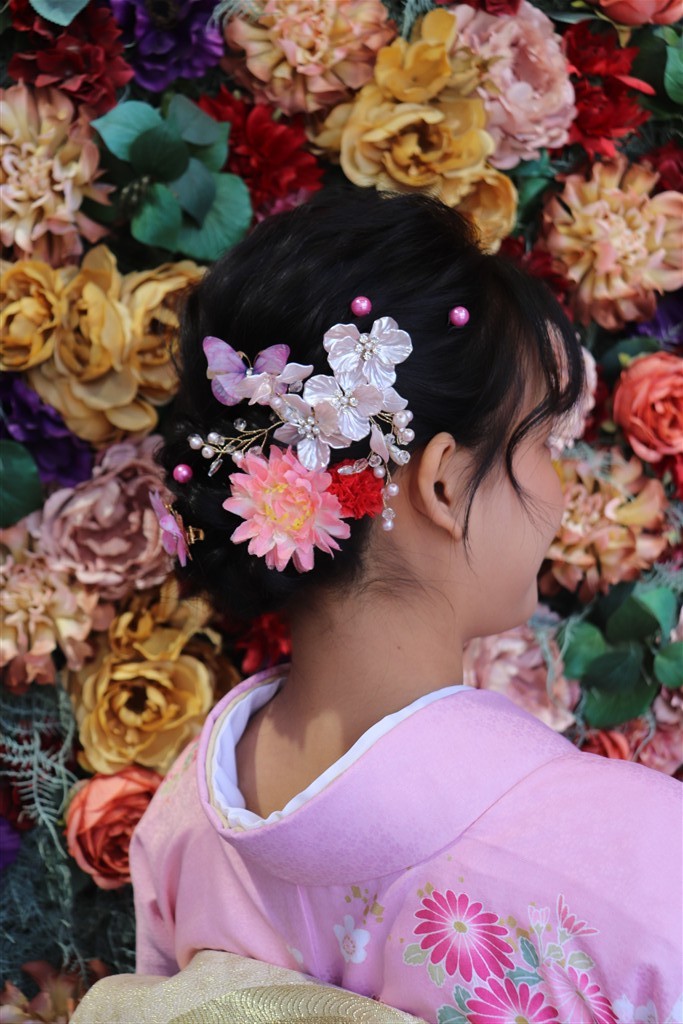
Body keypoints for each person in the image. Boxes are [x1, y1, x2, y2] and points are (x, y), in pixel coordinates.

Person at [78, 192, 682, 1023]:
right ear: (443, 484)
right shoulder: (641, 857)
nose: (556, 489)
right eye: (543, 445)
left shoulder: (182, 826)